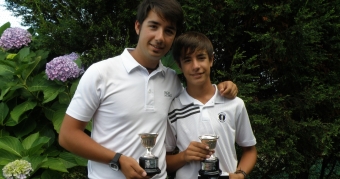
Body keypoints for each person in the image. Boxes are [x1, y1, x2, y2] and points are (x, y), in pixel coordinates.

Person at [58, 1, 238, 179]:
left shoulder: (172, 80)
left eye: (169, 31)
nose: (160, 37)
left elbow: (198, 98)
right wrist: (117, 160)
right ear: (138, 26)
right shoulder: (101, 73)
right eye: (153, 26)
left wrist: (224, 88)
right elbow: (67, 136)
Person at [165, 31, 257, 179]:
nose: (195, 66)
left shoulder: (235, 104)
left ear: (211, 60)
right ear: (179, 66)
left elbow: (250, 150)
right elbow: (165, 160)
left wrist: (240, 175)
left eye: (201, 58)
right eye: (187, 60)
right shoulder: (173, 108)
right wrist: (183, 156)